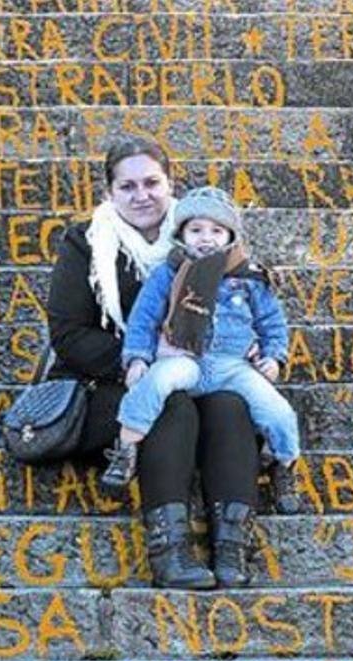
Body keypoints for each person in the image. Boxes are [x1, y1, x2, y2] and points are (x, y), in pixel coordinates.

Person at [46, 136, 286, 589]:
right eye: (128, 186)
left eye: (151, 183)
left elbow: (248, 305)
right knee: (171, 405)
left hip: (200, 370)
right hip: (111, 382)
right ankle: (170, 552)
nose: (142, 196)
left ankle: (231, 546)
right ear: (109, 193)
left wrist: (252, 347)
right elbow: (68, 335)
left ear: (169, 184)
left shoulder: (204, 235)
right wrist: (144, 359)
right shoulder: (86, 243)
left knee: (231, 404)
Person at [102, 186, 301, 517]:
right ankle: (127, 446)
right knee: (153, 383)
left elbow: (272, 323)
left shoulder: (249, 278)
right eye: (196, 230)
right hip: (186, 358)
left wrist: (274, 356)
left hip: (233, 366)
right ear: (181, 234)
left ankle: (284, 464)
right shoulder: (168, 273)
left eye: (216, 231)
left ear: (230, 236)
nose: (206, 238)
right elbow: (143, 319)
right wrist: (137, 357)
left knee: (279, 413)